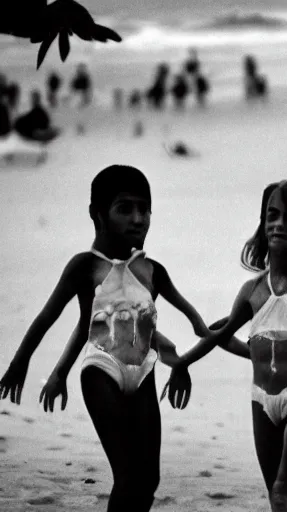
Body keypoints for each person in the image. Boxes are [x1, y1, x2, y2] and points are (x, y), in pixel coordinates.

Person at [0, 165, 210, 511]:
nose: (138, 218)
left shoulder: (152, 270)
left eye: (145, 209)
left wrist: (185, 364)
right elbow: (49, 318)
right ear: (97, 215)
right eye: (125, 208)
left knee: (149, 479)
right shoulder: (85, 266)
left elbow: (196, 328)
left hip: (144, 373)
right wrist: (23, 364)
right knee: (127, 475)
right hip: (101, 370)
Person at [170, 180, 287, 512]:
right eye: (272, 215)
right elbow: (220, 333)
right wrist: (183, 363)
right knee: (274, 489)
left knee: (285, 486)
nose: (278, 224)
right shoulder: (252, 290)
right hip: (261, 398)